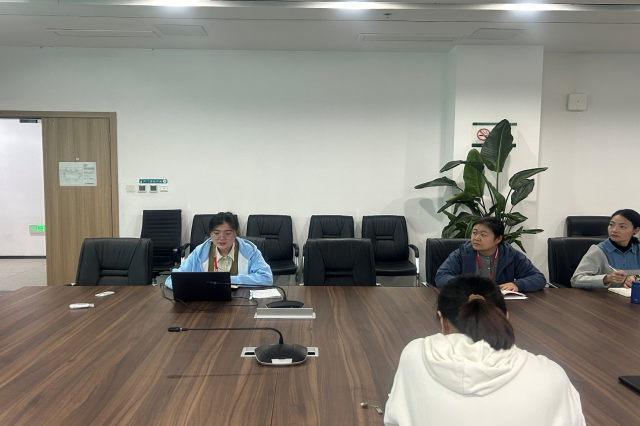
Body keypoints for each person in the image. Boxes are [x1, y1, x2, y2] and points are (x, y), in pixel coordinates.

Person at [384, 275, 585, 426]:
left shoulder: (415, 354)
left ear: (443, 321)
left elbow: (394, 418)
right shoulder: (550, 375)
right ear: (505, 317)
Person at [435, 217, 546, 292]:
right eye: (474, 233)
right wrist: (464, 284)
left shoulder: (511, 255)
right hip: (469, 303)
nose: (476, 238)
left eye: (483, 235)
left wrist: (517, 285)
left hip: (499, 304)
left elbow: (538, 278)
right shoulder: (462, 253)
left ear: (498, 239)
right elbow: (441, 276)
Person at [165, 212, 272, 289]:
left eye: (228, 233)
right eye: (216, 233)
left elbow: (266, 278)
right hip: (207, 301)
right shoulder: (200, 252)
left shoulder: (250, 251)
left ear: (236, 233)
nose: (222, 238)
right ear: (210, 234)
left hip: (241, 301)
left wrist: (229, 280)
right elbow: (172, 279)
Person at [571, 209, 640, 288]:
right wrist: (606, 278)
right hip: (603, 295)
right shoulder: (598, 251)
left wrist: (636, 278)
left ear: (636, 230)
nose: (614, 230)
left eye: (622, 226)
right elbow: (576, 280)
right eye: (611, 225)